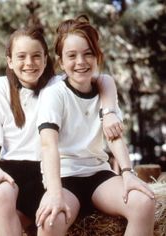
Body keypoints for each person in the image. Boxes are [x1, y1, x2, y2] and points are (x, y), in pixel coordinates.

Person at [0, 26, 123, 236]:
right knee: (1, 193)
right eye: (21, 57)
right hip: (11, 172)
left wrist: (109, 111)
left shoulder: (56, 86)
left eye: (36, 56)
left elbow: (104, 80)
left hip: (46, 175)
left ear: (46, 59)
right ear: (9, 61)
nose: (29, 63)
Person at [36, 15, 155, 236]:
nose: (80, 62)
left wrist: (128, 173)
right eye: (72, 56)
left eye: (88, 53)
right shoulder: (54, 94)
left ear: (97, 56)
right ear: (61, 61)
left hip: (99, 175)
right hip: (65, 177)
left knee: (144, 202)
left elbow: (114, 136)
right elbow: (48, 146)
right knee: (50, 222)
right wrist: (54, 193)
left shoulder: (104, 86)